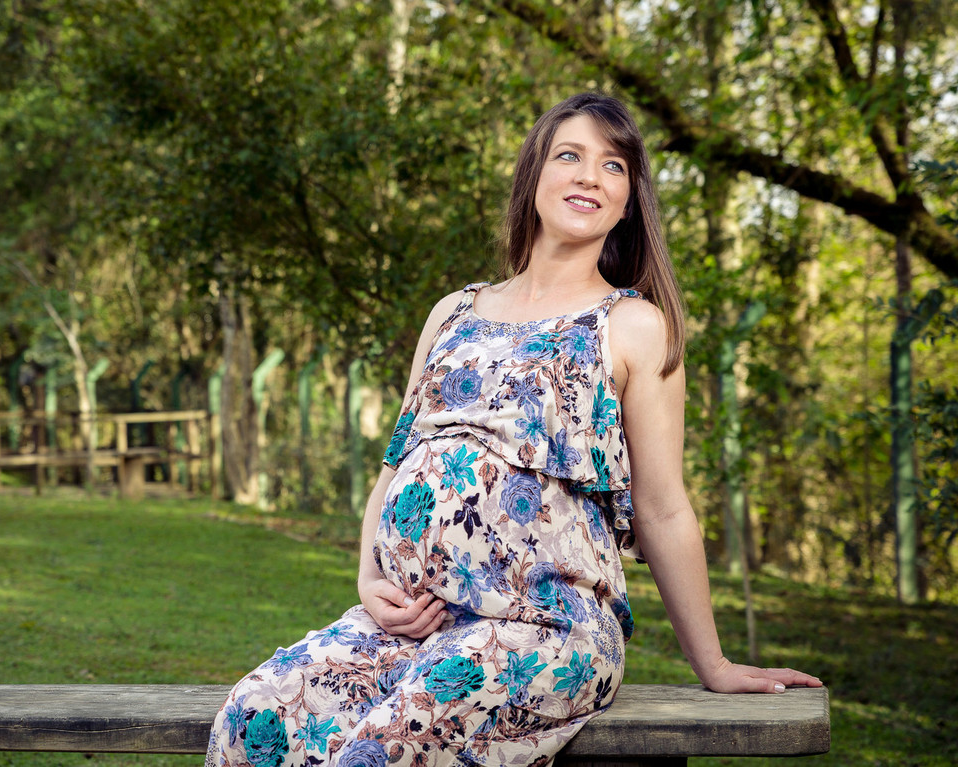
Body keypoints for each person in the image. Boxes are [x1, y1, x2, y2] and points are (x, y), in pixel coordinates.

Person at [204, 92, 821, 767]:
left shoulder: (632, 327)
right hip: (414, 624)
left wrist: (715, 661)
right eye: (570, 156)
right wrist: (366, 579)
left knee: (383, 750)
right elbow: (397, 460)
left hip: (545, 632)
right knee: (252, 718)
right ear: (533, 178)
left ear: (626, 205)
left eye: (613, 167)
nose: (590, 175)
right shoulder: (453, 313)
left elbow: (664, 505)